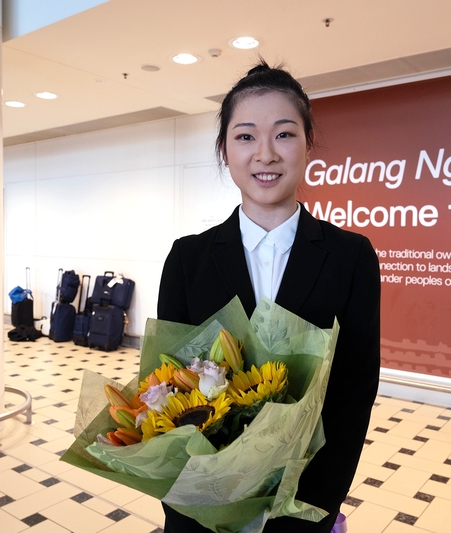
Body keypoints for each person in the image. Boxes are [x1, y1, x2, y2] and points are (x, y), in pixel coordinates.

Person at [157, 60, 381, 533]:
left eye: (284, 134)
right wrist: (192, 500)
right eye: (245, 136)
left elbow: (354, 393)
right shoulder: (187, 259)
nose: (265, 154)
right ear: (224, 149)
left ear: (308, 143)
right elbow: (168, 386)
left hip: (301, 503)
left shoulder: (351, 257)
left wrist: (314, 500)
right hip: (201, 503)